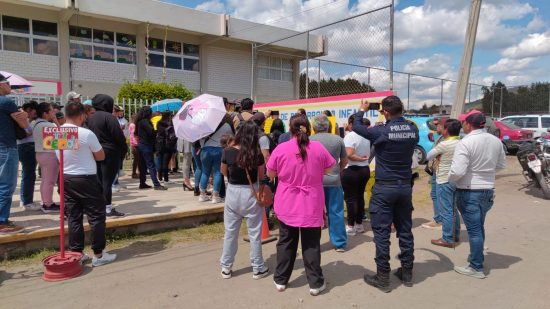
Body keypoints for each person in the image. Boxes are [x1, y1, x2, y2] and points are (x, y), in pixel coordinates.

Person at [352, 96, 419, 292]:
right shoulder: (412, 129)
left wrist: (362, 110)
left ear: (386, 112)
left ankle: (383, 276)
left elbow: (357, 127)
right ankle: (407, 272)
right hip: (405, 187)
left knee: (381, 233)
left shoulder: (382, 130)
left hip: (385, 188)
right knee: (405, 229)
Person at [267, 114, 335, 296]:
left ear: (290, 128)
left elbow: (270, 173)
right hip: (311, 202)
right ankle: (315, 283)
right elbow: (329, 168)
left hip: (287, 201)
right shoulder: (318, 148)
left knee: (286, 242)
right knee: (311, 244)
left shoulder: (281, 148)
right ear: (308, 128)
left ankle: (281, 279)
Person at [449, 110, 506, 279]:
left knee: (474, 231)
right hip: (487, 190)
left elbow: (458, 170)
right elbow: (501, 165)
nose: (462, 126)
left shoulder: (465, 142)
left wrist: (450, 179)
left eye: (463, 123)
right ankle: (476, 259)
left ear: (468, 124)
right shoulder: (496, 141)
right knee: (478, 228)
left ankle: (476, 267)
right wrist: (485, 172)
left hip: (469, 191)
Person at [59, 101, 117, 266]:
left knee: (74, 216)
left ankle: (77, 252)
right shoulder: (86, 133)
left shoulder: (58, 131)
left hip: (66, 178)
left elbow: (61, 156)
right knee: (96, 216)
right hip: (86, 178)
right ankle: (98, 254)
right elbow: (101, 156)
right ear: (82, 115)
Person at [219, 121, 269, 280]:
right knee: (254, 233)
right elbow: (262, 177)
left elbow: (223, 172)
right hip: (251, 192)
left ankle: (226, 267)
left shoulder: (227, 152)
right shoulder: (257, 154)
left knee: (230, 232)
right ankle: (258, 267)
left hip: (233, 192)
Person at [87, 94, 129, 217]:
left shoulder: (90, 118)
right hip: (110, 152)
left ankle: (99, 206)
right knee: (107, 181)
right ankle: (108, 208)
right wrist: (123, 150)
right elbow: (118, 136)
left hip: (94, 151)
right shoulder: (109, 117)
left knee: (98, 180)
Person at [310, 114, 348, 252]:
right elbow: (344, 161)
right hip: (333, 180)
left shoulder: (309, 140)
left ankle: (313, 244)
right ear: (329, 126)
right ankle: (340, 243)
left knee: (314, 213)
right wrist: (337, 170)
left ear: (313, 127)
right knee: (336, 212)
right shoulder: (338, 140)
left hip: (314, 182)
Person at [0, 74, 30, 233]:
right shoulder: (5, 102)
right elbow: (24, 125)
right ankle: (1, 221)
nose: (10, 86)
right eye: (7, 83)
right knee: (6, 185)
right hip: (6, 146)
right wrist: (24, 116)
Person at [427, 119, 462, 248]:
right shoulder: (461, 142)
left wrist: (438, 155)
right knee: (453, 209)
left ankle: (447, 238)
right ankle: (455, 234)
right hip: (456, 179)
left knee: (446, 210)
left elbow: (428, 156)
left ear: (446, 130)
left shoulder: (444, 144)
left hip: (443, 179)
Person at [341, 114, 371, 236]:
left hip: (352, 170)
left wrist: (359, 159)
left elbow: (349, 154)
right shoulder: (366, 136)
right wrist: (363, 159)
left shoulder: (350, 136)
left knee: (350, 199)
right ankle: (359, 225)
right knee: (359, 197)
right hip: (364, 169)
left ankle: (350, 226)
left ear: (351, 124)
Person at [198, 115, 233, 203]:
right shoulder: (226, 125)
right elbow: (231, 137)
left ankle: (202, 195)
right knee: (217, 172)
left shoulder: (206, 125)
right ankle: (215, 196)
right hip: (219, 150)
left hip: (205, 150)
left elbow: (199, 137)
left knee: (205, 172)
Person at [33, 102, 60, 213]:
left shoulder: (36, 123)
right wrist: (56, 121)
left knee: (45, 180)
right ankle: (48, 204)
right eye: (51, 110)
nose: (53, 112)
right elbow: (62, 136)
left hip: (40, 153)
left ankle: (45, 201)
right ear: (45, 113)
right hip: (49, 154)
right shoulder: (48, 125)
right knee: (49, 181)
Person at [422, 116, 446, 230]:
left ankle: (439, 220)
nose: (436, 127)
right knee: (435, 194)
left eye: (438, 125)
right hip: (437, 170)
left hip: (441, 171)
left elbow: (431, 154)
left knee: (438, 195)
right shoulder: (441, 137)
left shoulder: (445, 139)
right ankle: (439, 219)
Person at [136, 106, 167, 191]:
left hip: (141, 145)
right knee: (151, 165)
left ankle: (142, 183)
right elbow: (151, 132)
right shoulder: (145, 121)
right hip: (146, 145)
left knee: (142, 166)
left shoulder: (139, 121)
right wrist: (157, 130)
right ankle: (156, 184)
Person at [17, 101, 41, 211]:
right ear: (29, 110)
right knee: (29, 174)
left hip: (26, 147)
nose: (36, 112)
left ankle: (25, 199)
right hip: (27, 147)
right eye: (35, 110)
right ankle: (27, 201)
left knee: (27, 173)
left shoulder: (28, 120)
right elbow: (26, 133)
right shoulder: (24, 119)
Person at [156, 112, 177, 183]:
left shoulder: (158, 123)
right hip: (168, 145)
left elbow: (158, 132)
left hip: (160, 144)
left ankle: (160, 177)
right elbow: (174, 136)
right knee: (166, 162)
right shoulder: (170, 125)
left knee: (160, 161)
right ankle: (166, 179)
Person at [129, 113, 140, 179]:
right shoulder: (133, 125)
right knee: (136, 159)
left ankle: (137, 172)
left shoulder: (133, 125)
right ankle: (134, 173)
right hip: (135, 144)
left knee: (138, 159)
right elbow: (134, 135)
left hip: (135, 143)